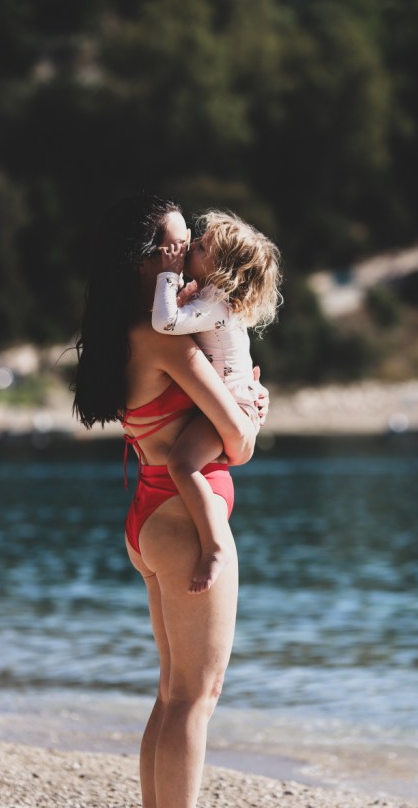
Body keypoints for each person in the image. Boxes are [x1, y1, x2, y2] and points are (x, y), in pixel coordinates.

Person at [72, 193, 268, 808]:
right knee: (195, 697)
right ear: (143, 260)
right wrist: (254, 410)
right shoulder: (168, 342)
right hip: (183, 522)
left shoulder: (126, 333)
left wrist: (244, 403)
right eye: (175, 244)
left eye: (188, 242)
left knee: (172, 692)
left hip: (150, 517)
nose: (184, 253)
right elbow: (238, 443)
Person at [151, 210, 281, 594]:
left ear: (221, 270)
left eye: (202, 247)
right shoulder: (212, 301)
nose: (192, 246)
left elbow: (165, 322)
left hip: (234, 406)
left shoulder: (216, 304)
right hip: (234, 402)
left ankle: (216, 544)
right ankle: (215, 542)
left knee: (181, 463)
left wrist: (167, 273)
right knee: (185, 461)